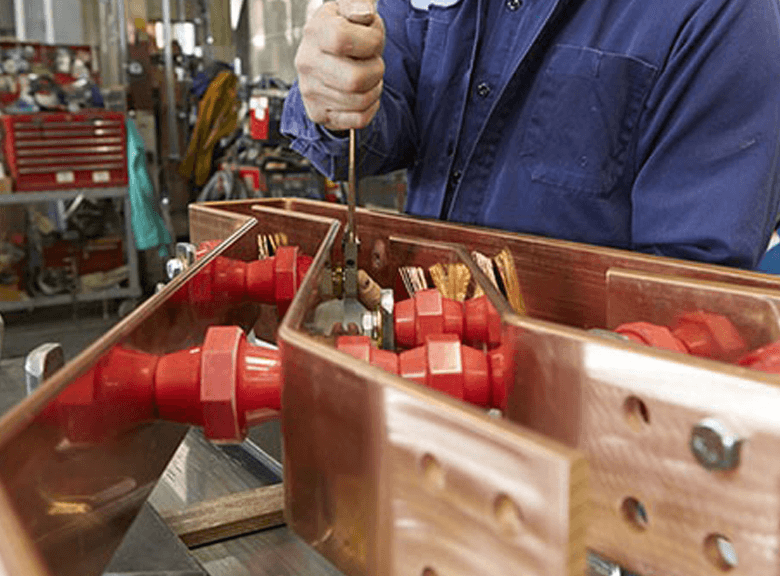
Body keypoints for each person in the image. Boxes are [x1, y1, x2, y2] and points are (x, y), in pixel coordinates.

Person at [281, 0, 780, 269]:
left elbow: (689, 288)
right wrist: (330, 92)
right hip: (421, 358)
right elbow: (379, 127)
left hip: (573, 412)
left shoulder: (725, 14)